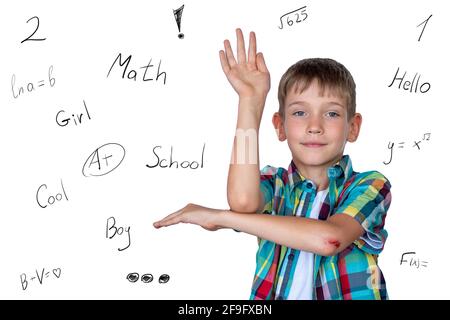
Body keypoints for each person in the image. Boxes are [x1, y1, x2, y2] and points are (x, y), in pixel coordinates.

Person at [153, 28, 392, 300]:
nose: (314, 126)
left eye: (332, 113)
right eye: (300, 112)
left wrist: (219, 218)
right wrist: (250, 101)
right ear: (280, 126)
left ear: (353, 127)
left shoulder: (370, 185)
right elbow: (242, 203)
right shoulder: (275, 183)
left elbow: (330, 239)